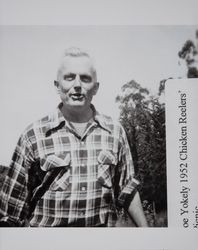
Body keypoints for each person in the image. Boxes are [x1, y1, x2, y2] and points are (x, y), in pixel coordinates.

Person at [0, 47, 148, 227]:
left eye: (85, 78)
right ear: (57, 85)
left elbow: (128, 190)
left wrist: (149, 236)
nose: (77, 85)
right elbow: (10, 213)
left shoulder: (115, 132)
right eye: (69, 77)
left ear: (96, 88)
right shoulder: (33, 136)